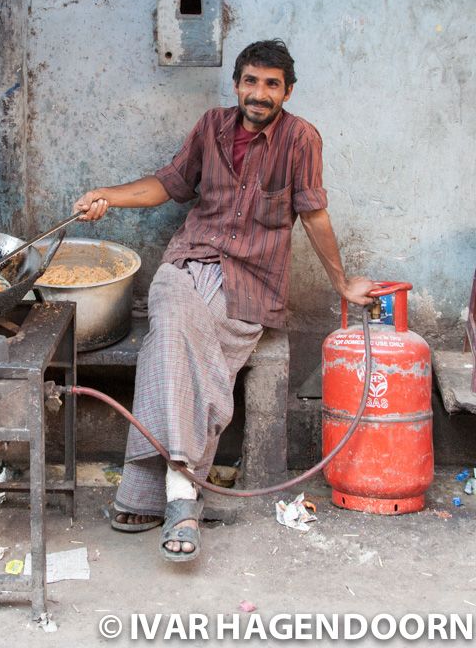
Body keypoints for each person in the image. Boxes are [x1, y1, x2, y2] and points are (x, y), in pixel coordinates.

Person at [74, 39, 373, 562]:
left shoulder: (301, 139)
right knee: (172, 327)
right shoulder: (211, 126)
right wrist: (108, 195)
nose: (259, 93)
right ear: (237, 85)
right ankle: (183, 498)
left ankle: (149, 494)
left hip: (250, 283)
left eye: (272, 84)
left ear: (288, 91)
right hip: (187, 264)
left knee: (182, 350)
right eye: (251, 81)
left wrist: (343, 284)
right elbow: (167, 185)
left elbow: (314, 215)